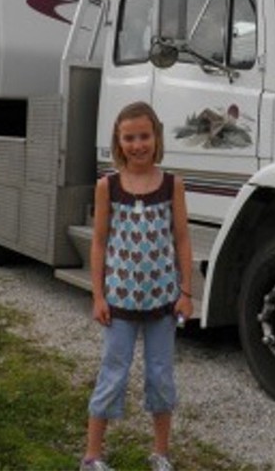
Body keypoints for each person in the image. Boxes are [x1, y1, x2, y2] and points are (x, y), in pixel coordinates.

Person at [81, 101, 194, 471]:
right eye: (129, 138)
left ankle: (160, 454)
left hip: (162, 302)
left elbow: (182, 240)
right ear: (119, 140)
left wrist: (186, 292)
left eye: (144, 136)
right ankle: (92, 456)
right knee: (112, 374)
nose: (137, 145)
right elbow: (98, 242)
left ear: (156, 137)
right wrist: (98, 295)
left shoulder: (172, 185)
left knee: (161, 376)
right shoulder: (107, 186)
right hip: (119, 303)